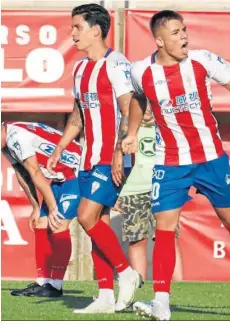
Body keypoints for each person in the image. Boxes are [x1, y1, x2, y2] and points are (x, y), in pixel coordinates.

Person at [122, 10, 230, 320]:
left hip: (210, 158)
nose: (184, 36)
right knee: (164, 229)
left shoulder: (202, 61)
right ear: (160, 40)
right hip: (170, 162)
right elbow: (140, 100)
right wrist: (131, 133)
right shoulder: (141, 71)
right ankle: (162, 303)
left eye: (185, 30)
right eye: (177, 32)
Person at [47, 3, 140, 314]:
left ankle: (127, 274)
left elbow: (131, 110)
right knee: (95, 222)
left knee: (86, 217)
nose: (71, 33)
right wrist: (60, 147)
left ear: (96, 30)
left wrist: (118, 152)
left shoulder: (117, 64)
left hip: (113, 156)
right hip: (88, 157)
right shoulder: (80, 68)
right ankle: (104, 295)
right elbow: (78, 114)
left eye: (77, 27)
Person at [1, 121, 81, 298]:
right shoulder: (5, 140)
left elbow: (35, 172)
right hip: (60, 178)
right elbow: (22, 174)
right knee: (41, 223)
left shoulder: (16, 136)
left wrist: (52, 207)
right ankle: (43, 282)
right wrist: (36, 207)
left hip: (77, 172)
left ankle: (56, 286)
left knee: (58, 224)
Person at [114, 106, 183, 282]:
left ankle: (180, 286)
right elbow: (115, 161)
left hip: (163, 189)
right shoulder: (125, 128)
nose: (147, 110)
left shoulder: (167, 125)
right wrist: (115, 192)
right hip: (133, 190)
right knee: (137, 240)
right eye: (141, 106)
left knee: (168, 238)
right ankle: (139, 285)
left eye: (149, 105)